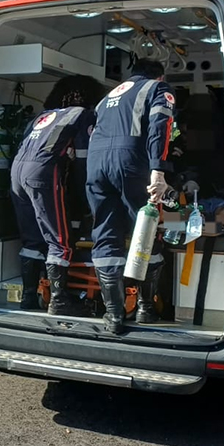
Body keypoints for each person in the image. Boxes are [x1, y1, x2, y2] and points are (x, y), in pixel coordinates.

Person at [86, 59, 175, 334]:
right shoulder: (157, 88)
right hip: (131, 162)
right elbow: (162, 125)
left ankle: (114, 316)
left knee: (105, 234)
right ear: (159, 75)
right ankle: (146, 309)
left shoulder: (106, 98)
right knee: (148, 231)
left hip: (96, 164)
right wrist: (158, 171)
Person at [10, 75, 102, 316]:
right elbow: (83, 160)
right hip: (43, 172)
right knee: (59, 240)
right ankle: (60, 300)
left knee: (31, 239)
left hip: (17, 172)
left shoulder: (42, 117)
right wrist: (87, 198)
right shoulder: (84, 115)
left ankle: (28, 297)